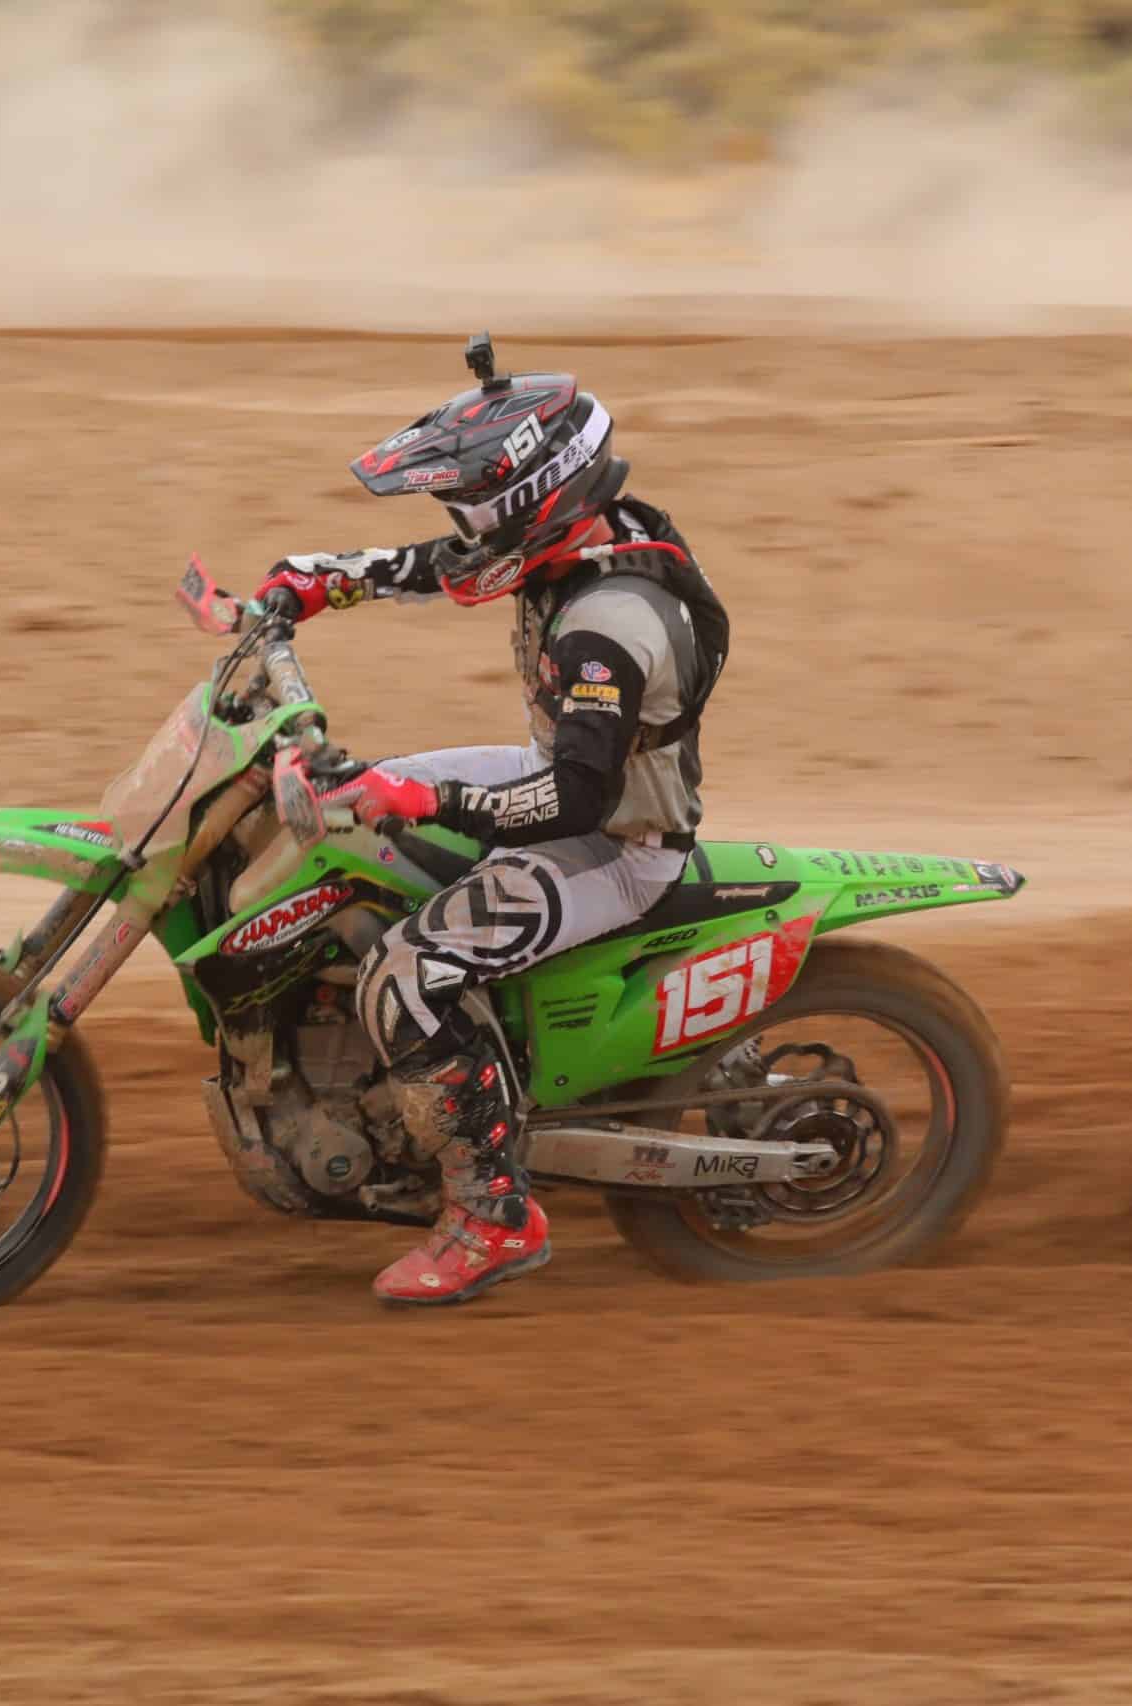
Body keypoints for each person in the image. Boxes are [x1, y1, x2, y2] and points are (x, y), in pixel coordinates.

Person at [254, 336, 729, 1307]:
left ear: (538, 497)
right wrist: (317, 578)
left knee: (407, 973)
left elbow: (575, 802)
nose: (462, 522)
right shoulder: (586, 537)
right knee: (343, 809)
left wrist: (425, 801)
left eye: (476, 503)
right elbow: (451, 565)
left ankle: (494, 1213)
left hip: (616, 839)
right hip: (561, 776)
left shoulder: (608, 625)